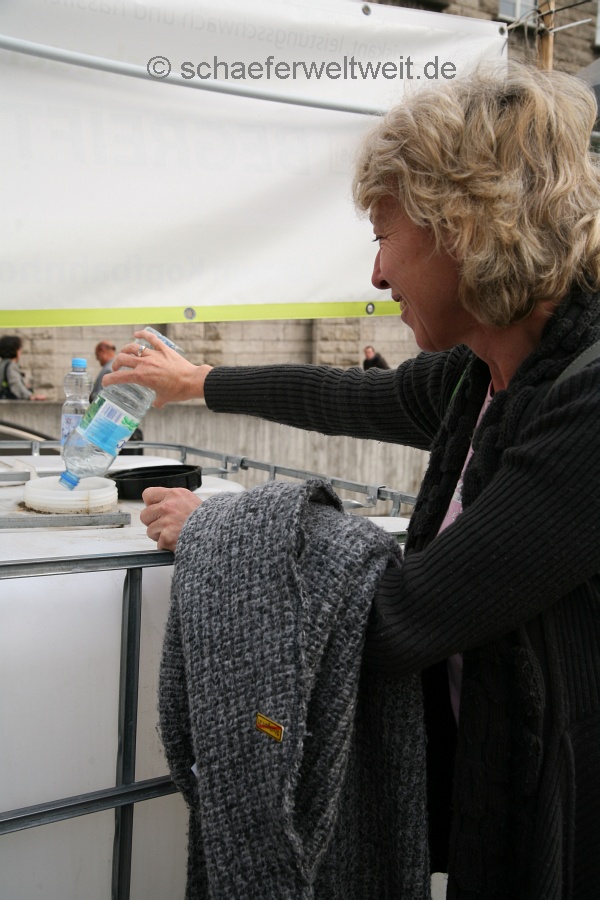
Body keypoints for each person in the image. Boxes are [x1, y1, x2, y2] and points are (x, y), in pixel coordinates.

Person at [105, 63, 600, 898]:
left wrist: (225, 529)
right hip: (494, 787)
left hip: (564, 819)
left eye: (382, 234)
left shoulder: (586, 402)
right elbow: (344, 396)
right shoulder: (479, 374)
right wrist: (195, 382)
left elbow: (405, 614)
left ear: (465, 227)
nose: (376, 275)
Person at [0, 335, 46, 400]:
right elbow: (15, 385)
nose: (21, 351)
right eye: (19, 349)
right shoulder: (11, 366)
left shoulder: (3, 364)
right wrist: (30, 396)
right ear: (15, 350)